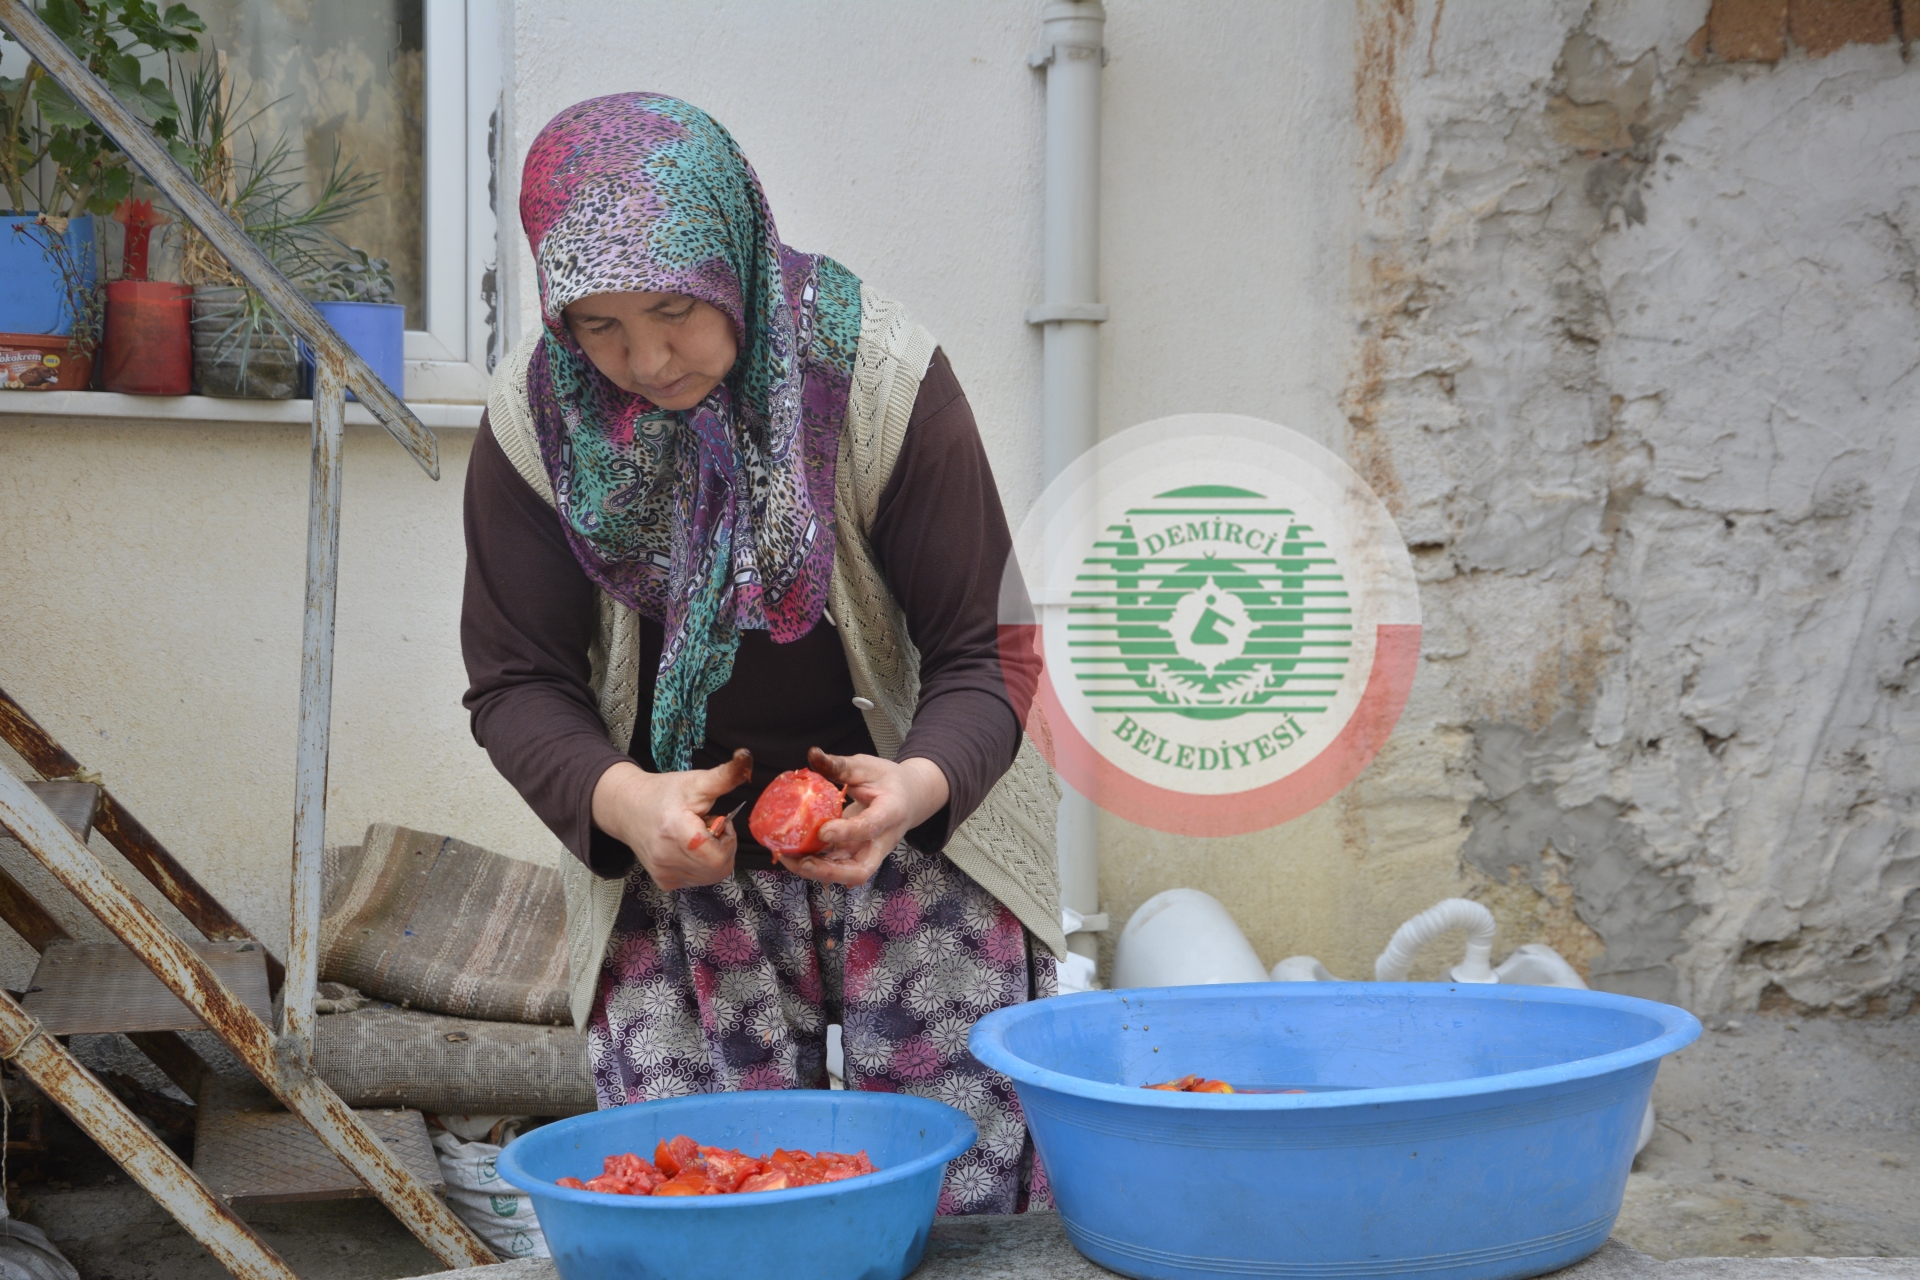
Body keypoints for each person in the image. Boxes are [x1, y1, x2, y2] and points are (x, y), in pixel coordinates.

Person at [461, 93, 1065, 1214]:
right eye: (599, 325)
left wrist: (913, 788)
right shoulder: (539, 419)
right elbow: (516, 680)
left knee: (955, 1203)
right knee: (700, 1203)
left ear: (734, 260)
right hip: (674, 856)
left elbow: (987, 653)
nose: (646, 358)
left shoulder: (877, 379)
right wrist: (624, 803)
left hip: (925, 834)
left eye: (674, 309)